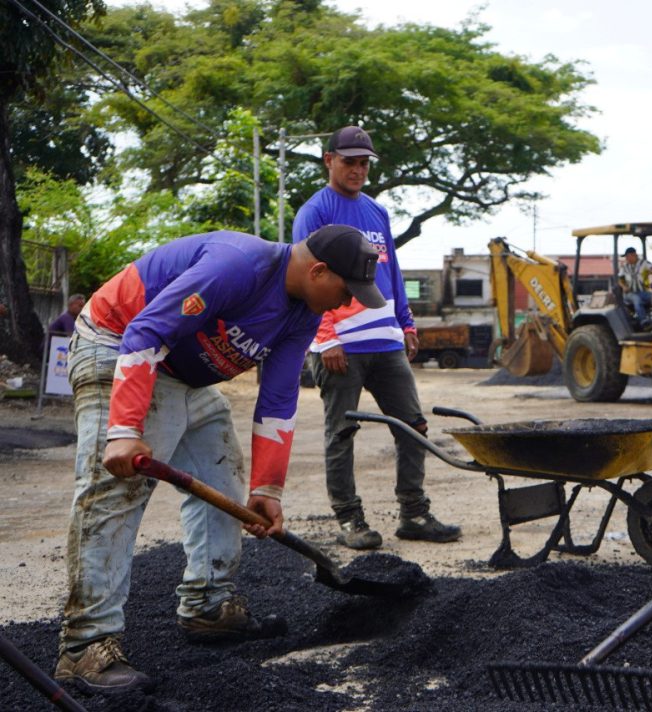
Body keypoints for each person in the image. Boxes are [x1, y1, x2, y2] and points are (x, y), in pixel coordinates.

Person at [54, 226, 385, 694]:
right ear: (318, 270)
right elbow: (145, 331)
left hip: (183, 374)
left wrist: (268, 489)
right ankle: (84, 648)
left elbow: (277, 400)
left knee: (224, 480)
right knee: (115, 491)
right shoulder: (237, 264)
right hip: (117, 343)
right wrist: (125, 430)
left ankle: (208, 606)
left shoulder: (302, 312)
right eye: (345, 291)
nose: (344, 303)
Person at [292, 124, 461, 550]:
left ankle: (414, 512)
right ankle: (350, 520)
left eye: (364, 163)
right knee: (342, 433)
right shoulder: (314, 211)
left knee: (414, 425)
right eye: (349, 161)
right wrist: (325, 337)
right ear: (329, 160)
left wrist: (405, 321)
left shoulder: (376, 212)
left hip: (385, 340)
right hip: (340, 345)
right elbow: (304, 278)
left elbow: (392, 273)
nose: (357, 169)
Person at [618, 246, 652, 327]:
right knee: (636, 299)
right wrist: (624, 286)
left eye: (627, 256)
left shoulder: (644, 263)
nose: (626, 259)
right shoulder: (624, 267)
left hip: (643, 292)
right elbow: (620, 280)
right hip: (629, 294)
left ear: (634, 255)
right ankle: (644, 322)